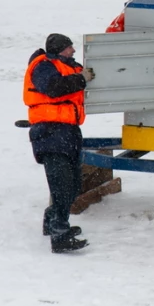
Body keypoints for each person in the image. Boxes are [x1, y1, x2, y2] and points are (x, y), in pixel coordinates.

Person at [23, 33, 94, 254]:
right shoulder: (43, 66)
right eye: (69, 47)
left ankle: (52, 220)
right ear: (58, 49)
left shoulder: (70, 67)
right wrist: (82, 79)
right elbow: (53, 87)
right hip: (50, 132)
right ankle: (60, 236)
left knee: (72, 185)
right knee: (62, 185)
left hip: (68, 131)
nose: (73, 50)